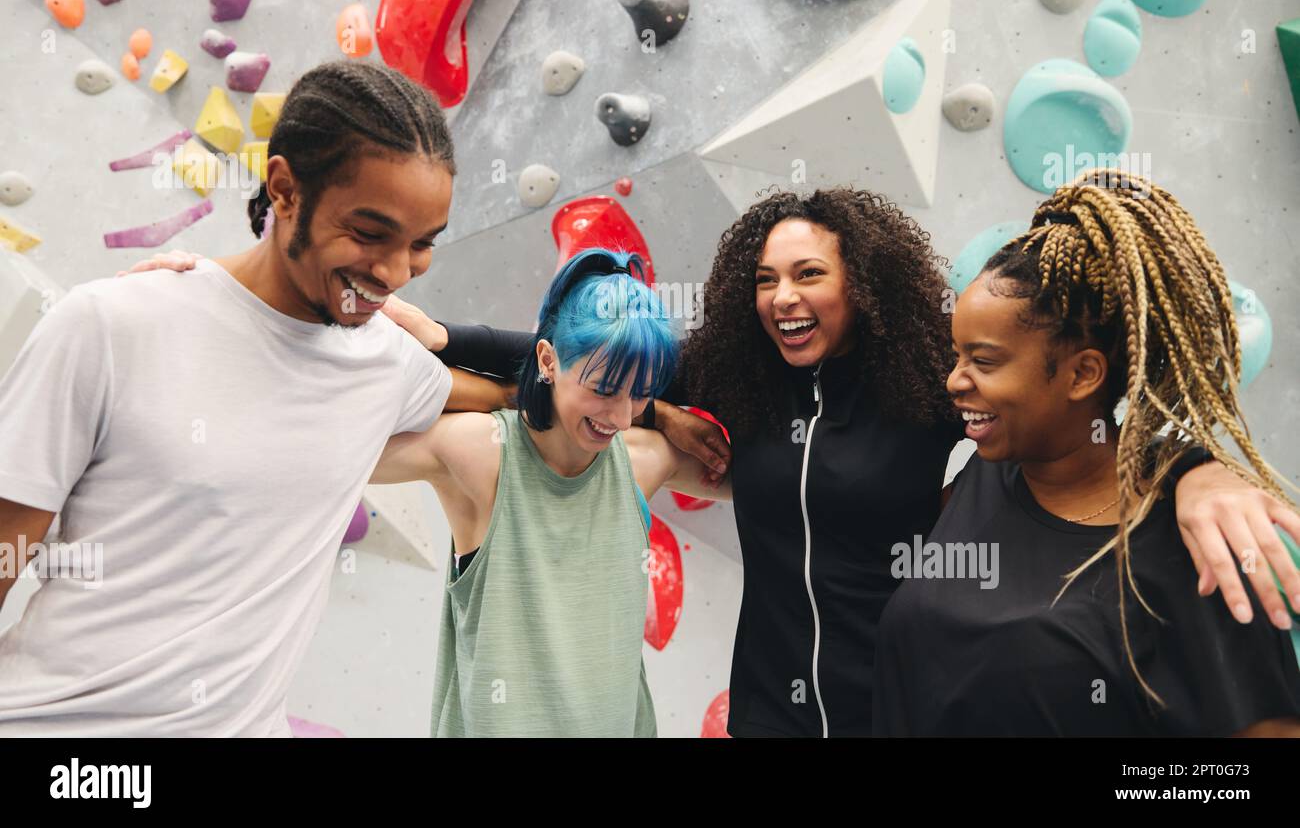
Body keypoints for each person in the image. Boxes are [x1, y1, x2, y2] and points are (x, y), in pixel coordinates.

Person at [416, 187, 1300, 736]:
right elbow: (586, 363)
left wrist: (1196, 469)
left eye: (808, 274)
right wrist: (449, 337)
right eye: (765, 278)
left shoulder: (930, 387)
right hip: (770, 705)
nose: (783, 297)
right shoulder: (739, 369)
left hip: (888, 702)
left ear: (861, 285)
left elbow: (1082, 427)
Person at [0, 61, 506, 736]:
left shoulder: (385, 364)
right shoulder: (109, 325)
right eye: (368, 233)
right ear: (284, 189)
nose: (392, 272)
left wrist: (666, 412)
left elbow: (545, 388)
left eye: (419, 245)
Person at [873, 170, 1300, 736]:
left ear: (1083, 374)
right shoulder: (984, 477)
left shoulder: (1195, 548)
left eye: (984, 360)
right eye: (957, 356)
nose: (954, 381)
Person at [375, 248, 718, 736]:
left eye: (640, 394)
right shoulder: (483, 453)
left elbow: (791, 477)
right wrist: (497, 393)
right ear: (547, 360)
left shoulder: (642, 460)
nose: (620, 418)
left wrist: (663, 414)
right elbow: (344, 433)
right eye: (602, 389)